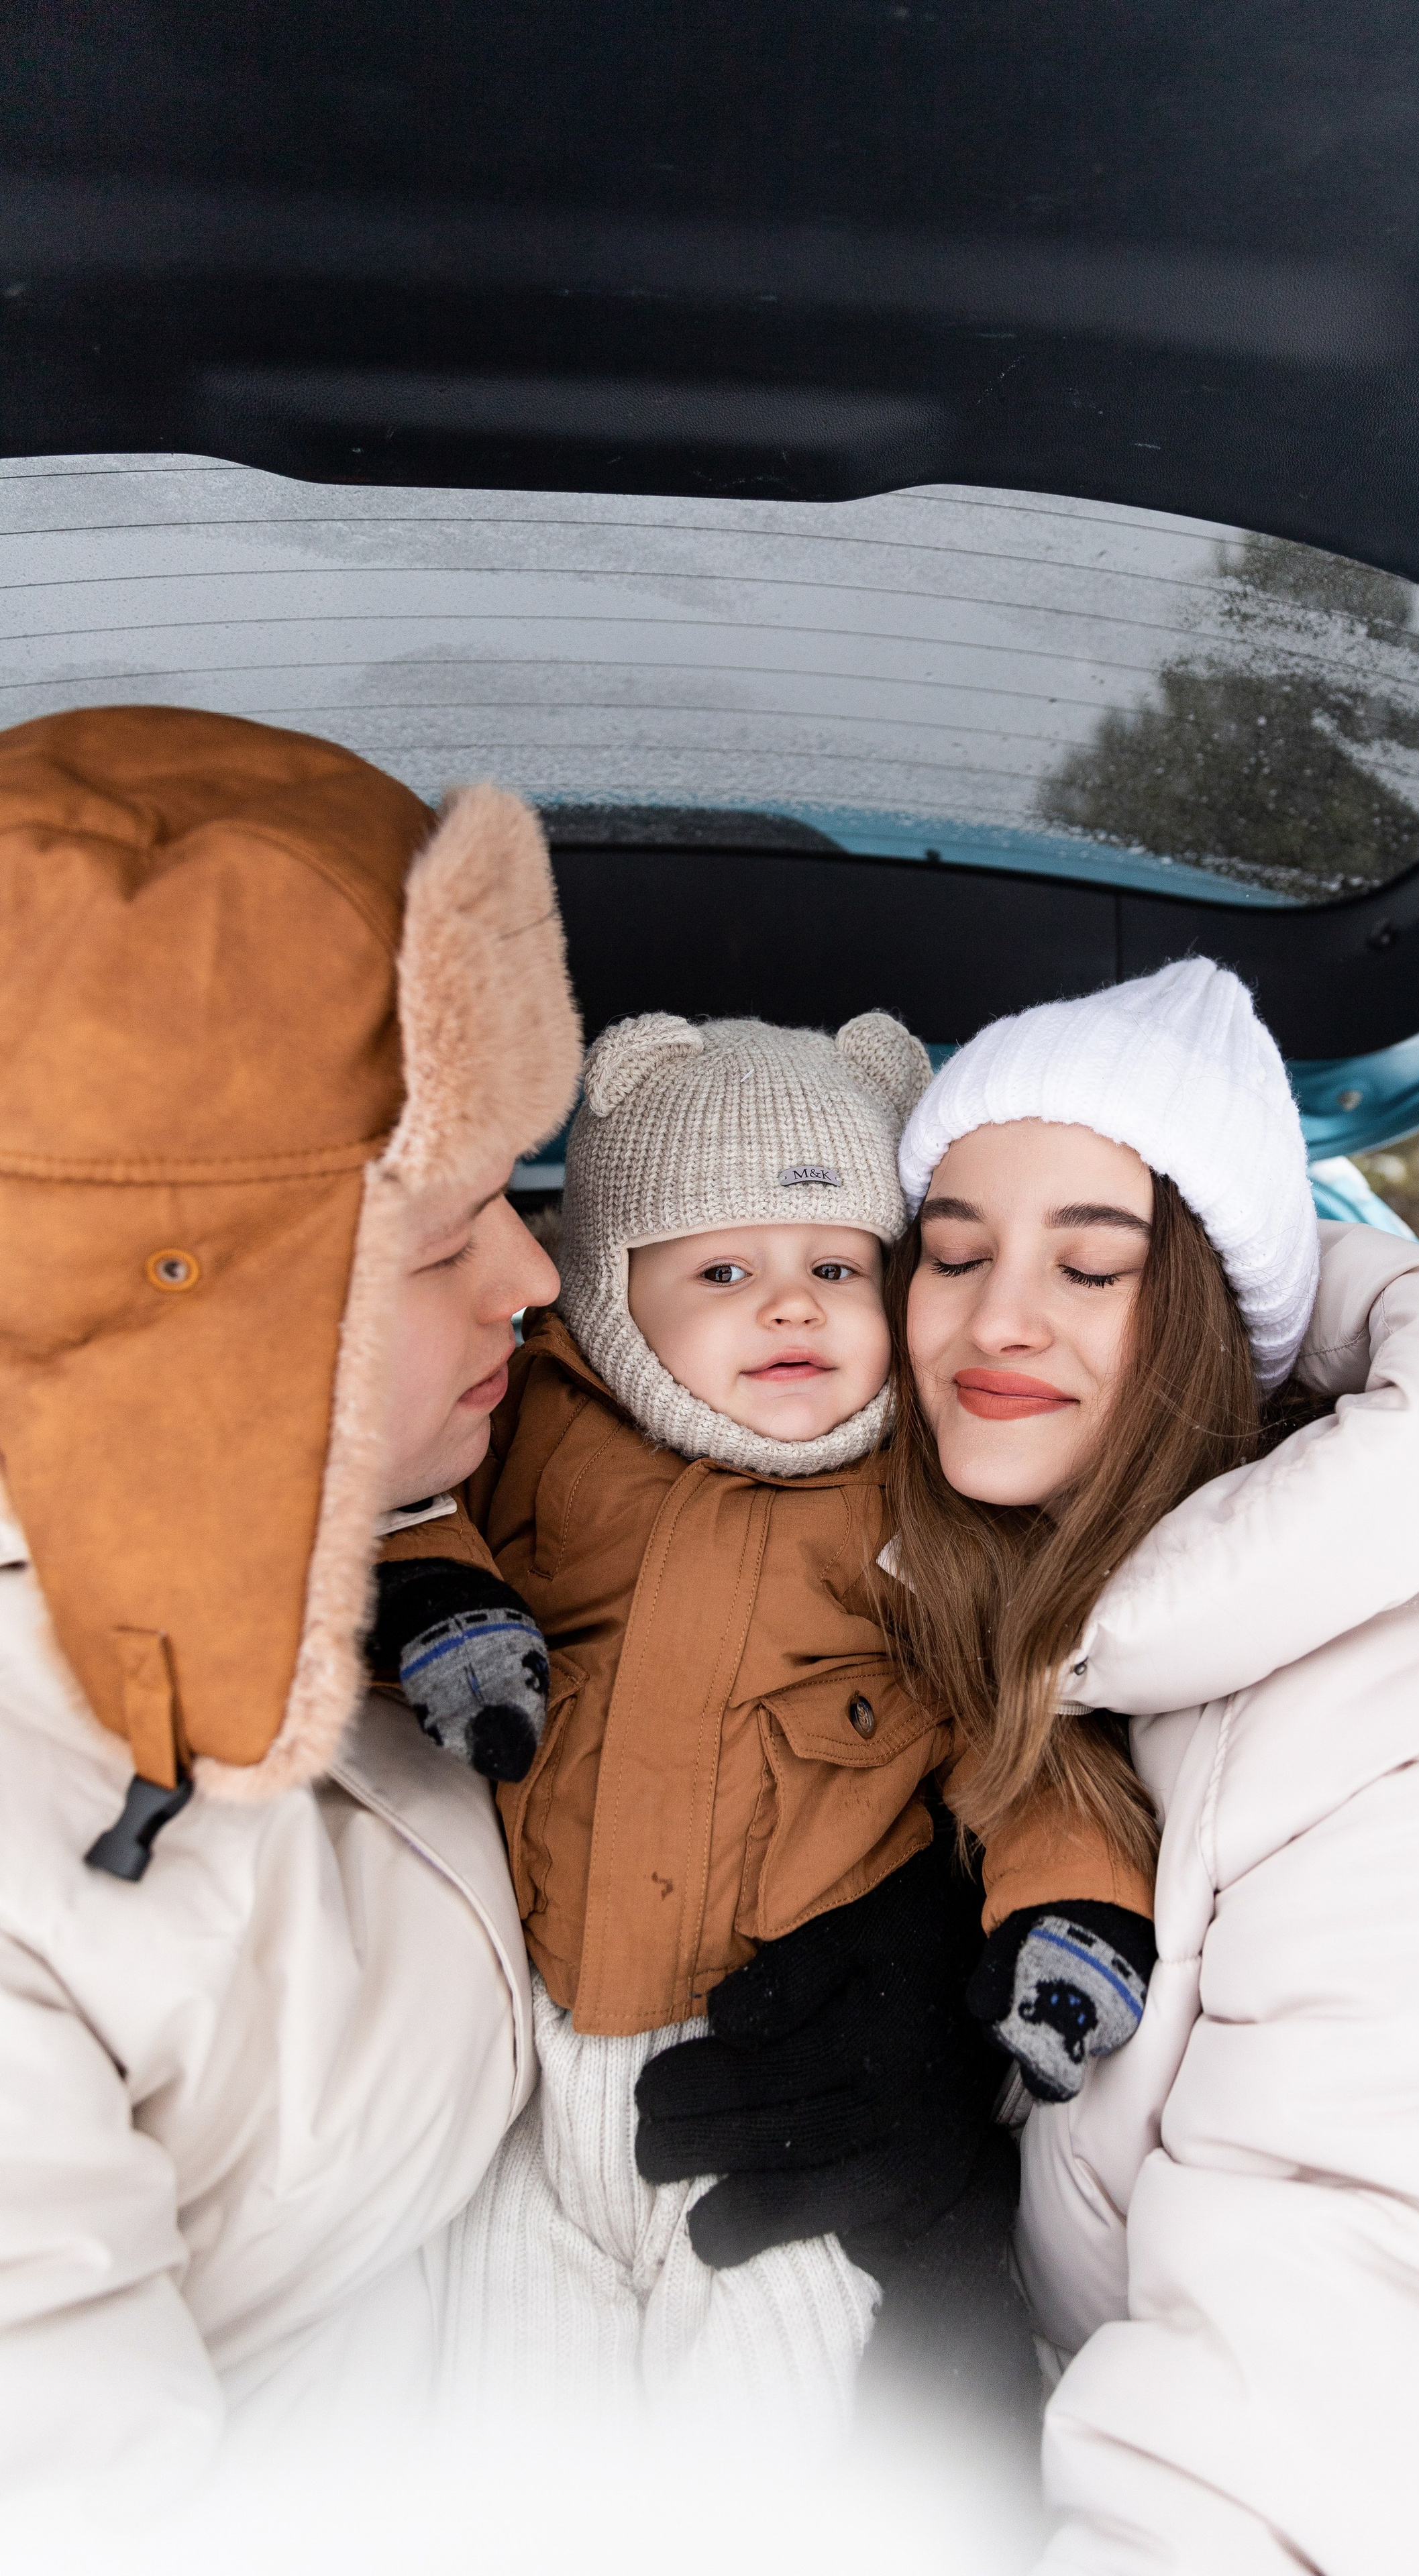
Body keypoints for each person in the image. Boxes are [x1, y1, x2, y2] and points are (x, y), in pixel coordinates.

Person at [882, 958, 1419, 2575]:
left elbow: (1299, 2477)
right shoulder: (1069, 1661)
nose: (995, 1318)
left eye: (1093, 1264)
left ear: (1204, 1313)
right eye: (954, 1251)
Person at [374, 1011, 1157, 2436]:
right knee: (500, 2443)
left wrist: (1074, 1920)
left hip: (785, 2087)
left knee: (780, 2444)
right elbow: (394, 1503)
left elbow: (1029, 1752)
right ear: (609, 1298)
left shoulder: (932, 1522)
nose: (790, 1308)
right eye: (723, 1269)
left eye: (837, 1268)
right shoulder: (531, 1430)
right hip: (523, 2099)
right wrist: (439, 1600)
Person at [0, 704, 578, 2493]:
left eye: (523, 1198)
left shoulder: (419, 1502)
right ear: (197, 1307)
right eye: (442, 1235)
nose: (540, 1279)